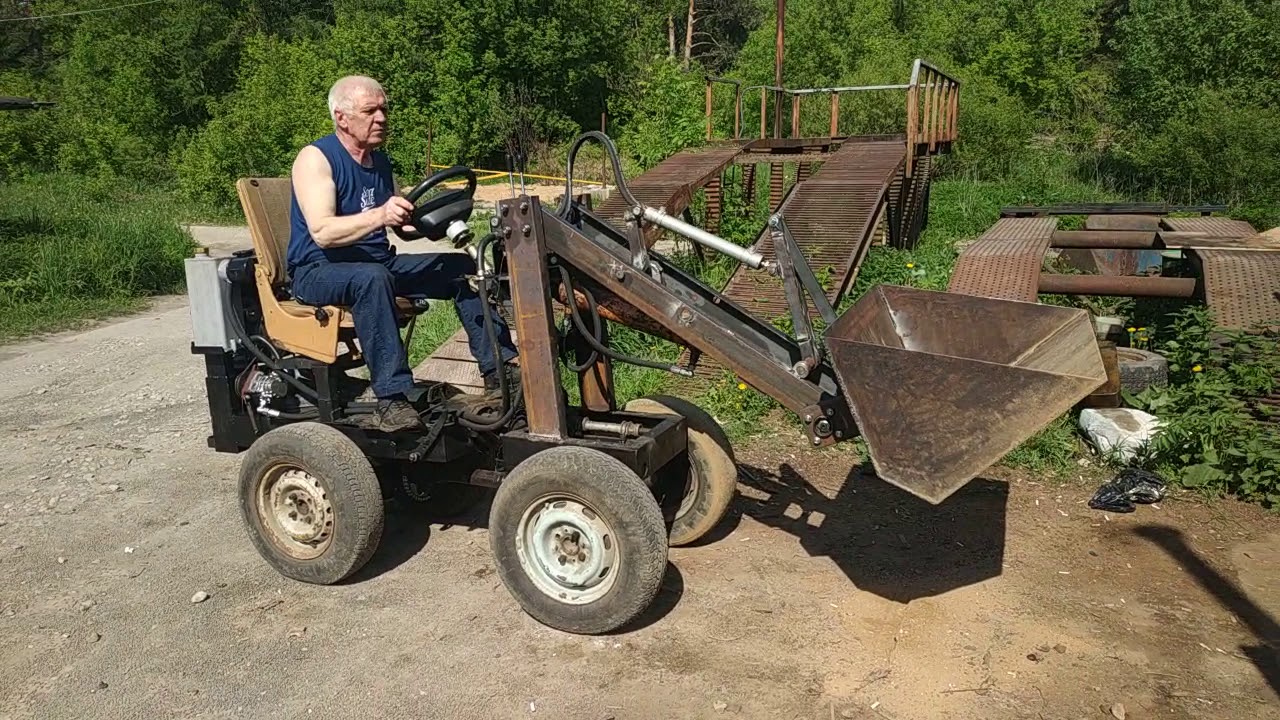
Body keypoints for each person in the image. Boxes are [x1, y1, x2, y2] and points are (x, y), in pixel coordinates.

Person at [287, 75, 519, 432]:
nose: (381, 118)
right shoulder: (315, 159)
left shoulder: (380, 163)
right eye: (370, 111)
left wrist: (436, 218)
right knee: (372, 278)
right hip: (318, 270)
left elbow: (401, 228)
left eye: (383, 109)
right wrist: (381, 214)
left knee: (461, 268)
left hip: (375, 264)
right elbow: (323, 232)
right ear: (341, 117)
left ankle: (502, 372)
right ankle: (393, 399)